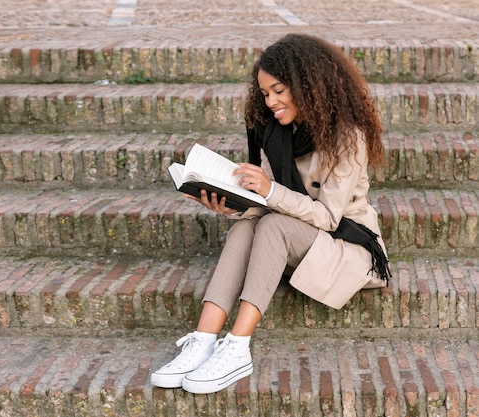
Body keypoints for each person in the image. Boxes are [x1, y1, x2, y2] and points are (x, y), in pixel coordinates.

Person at [150, 33, 391, 395]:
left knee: (274, 225)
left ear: (308, 85)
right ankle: (203, 339)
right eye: (265, 93)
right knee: (245, 229)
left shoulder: (347, 137)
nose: (271, 101)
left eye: (278, 90)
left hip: (346, 245)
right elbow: (268, 202)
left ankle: (237, 347)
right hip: (299, 236)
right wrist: (230, 204)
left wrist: (269, 189)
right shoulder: (277, 132)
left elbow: (328, 218)